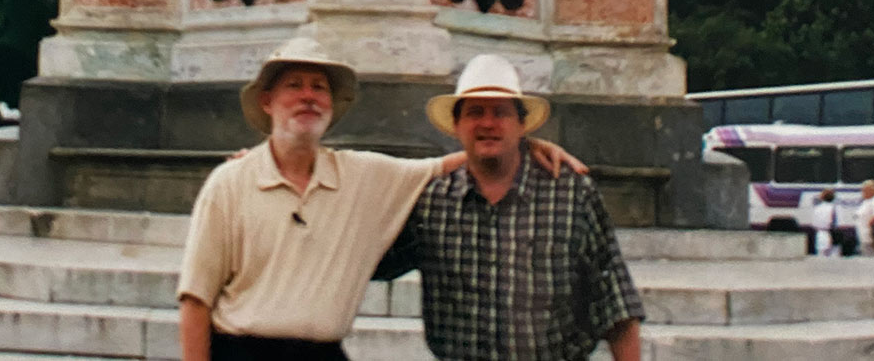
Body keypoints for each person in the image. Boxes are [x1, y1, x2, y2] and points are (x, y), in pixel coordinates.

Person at [176, 36, 580, 361]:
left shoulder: (361, 176)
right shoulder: (229, 183)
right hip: (241, 353)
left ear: (332, 106)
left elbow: (444, 165)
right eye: (294, 85)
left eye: (319, 87)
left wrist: (522, 144)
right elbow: (196, 300)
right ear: (267, 101)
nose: (308, 96)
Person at [378, 54, 644, 360]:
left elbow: (615, 302)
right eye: (475, 112)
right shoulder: (431, 202)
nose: (488, 123)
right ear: (456, 124)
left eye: (501, 113)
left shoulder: (572, 194)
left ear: (522, 125)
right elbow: (369, 262)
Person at [811, 187, 839, 256]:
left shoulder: (817, 208)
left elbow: (814, 223)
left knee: (820, 254)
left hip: (819, 234)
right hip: (829, 233)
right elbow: (834, 223)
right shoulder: (832, 208)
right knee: (830, 256)